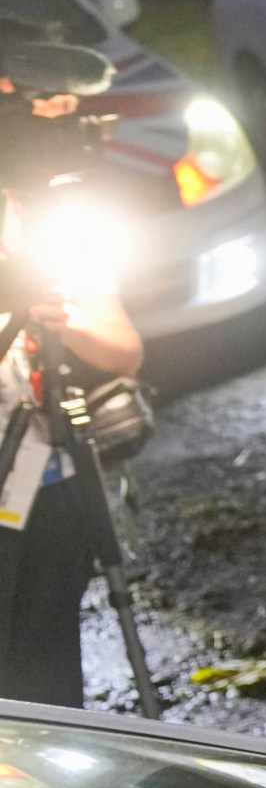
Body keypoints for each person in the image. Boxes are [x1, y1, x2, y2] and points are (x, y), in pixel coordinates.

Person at [0, 72, 143, 707]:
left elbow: (123, 349)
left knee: (48, 677)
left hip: (44, 483)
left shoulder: (41, 216)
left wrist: (65, 317)